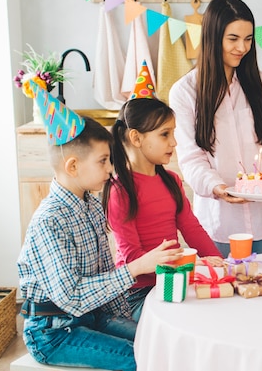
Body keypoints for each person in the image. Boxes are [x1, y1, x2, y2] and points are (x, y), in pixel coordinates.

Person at [17, 111, 182, 371]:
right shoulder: (49, 221)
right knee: (142, 358)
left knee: (161, 343)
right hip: (54, 334)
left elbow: (105, 270)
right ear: (72, 166)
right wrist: (136, 267)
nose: (110, 169)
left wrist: (130, 320)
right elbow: (71, 297)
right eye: (103, 161)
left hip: (91, 317)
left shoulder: (92, 205)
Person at [169, 0, 262, 258]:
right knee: (223, 294)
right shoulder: (185, 92)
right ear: (213, 38)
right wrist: (218, 188)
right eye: (233, 39)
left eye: (248, 39)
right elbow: (191, 158)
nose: (242, 47)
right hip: (219, 223)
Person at [103, 97, 223, 321]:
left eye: (173, 133)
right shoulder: (120, 191)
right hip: (138, 293)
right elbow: (132, 259)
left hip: (175, 279)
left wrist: (218, 263)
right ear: (136, 138)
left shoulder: (171, 180)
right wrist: (190, 263)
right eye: (165, 134)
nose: (174, 142)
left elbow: (192, 229)